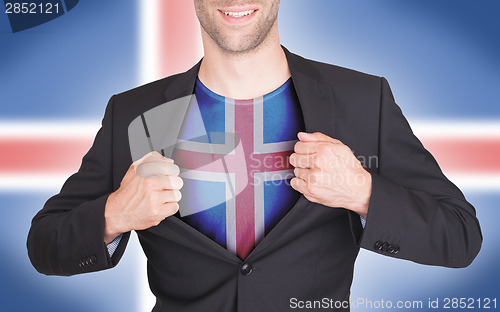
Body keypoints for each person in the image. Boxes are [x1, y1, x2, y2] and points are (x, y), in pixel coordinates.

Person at [27, 1, 482, 311]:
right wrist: (114, 214)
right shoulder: (134, 112)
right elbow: (45, 245)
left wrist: (363, 192)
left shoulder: (363, 100)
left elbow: (460, 236)